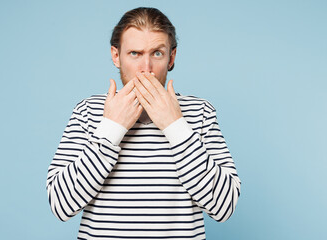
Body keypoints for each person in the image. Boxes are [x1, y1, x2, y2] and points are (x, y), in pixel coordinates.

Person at [46, 7, 241, 240]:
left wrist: (175, 126)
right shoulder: (88, 112)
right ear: (116, 56)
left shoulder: (199, 113)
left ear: (172, 57)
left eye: (157, 53)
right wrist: (111, 128)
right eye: (135, 53)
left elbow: (224, 207)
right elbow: (61, 205)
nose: (146, 68)